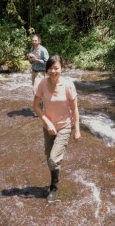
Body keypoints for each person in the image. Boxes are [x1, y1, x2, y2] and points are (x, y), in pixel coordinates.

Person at [32, 55, 81, 203]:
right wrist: (47, 121)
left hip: (65, 127)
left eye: (56, 68)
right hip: (48, 127)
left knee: (53, 160)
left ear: (62, 69)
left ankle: (53, 188)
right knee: (49, 158)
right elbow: (35, 106)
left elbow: (75, 108)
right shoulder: (42, 83)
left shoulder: (68, 85)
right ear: (47, 69)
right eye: (51, 68)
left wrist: (77, 129)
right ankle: (55, 175)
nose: (53, 71)